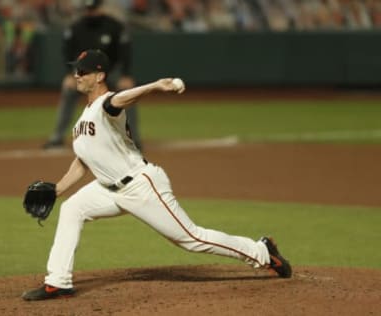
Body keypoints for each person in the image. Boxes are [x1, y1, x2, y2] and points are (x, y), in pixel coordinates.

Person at [22, 49, 292, 301]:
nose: (77, 75)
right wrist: (57, 190)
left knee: (192, 239)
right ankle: (58, 281)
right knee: (72, 209)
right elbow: (83, 161)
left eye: (83, 71)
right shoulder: (83, 120)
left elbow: (121, 99)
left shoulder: (107, 104)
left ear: (100, 76)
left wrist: (154, 86)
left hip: (141, 185)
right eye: (76, 71)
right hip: (107, 189)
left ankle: (262, 252)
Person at [43, 0, 142, 150]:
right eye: (88, 9)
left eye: (94, 9)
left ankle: (132, 138)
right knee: (68, 90)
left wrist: (125, 75)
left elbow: (125, 52)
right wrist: (69, 75)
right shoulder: (76, 27)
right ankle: (57, 137)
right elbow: (67, 51)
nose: (91, 12)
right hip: (85, 72)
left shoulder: (114, 26)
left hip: (110, 72)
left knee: (128, 93)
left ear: (101, 8)